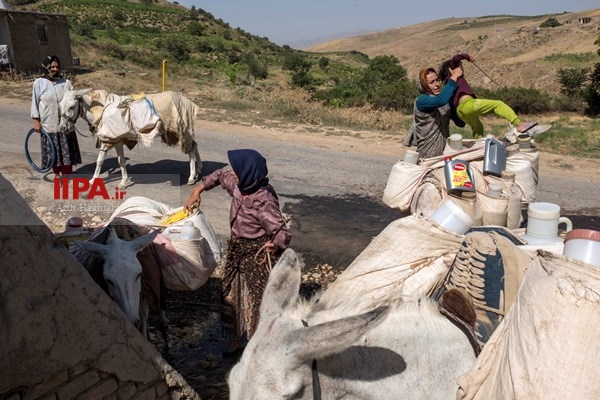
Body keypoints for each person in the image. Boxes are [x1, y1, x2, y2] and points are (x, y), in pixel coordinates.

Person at [184, 149, 291, 354]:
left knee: (259, 300)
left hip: (256, 254)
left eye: (236, 170)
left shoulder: (264, 200)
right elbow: (218, 175)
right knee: (230, 295)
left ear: (248, 173)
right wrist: (196, 191)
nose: (231, 172)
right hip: (237, 250)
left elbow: (281, 231)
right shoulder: (239, 186)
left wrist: (275, 244)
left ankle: (260, 345)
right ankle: (235, 337)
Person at [438, 53, 537, 139]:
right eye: (460, 65)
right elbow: (455, 58)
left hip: (461, 112)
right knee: (498, 104)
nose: (461, 67)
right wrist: (467, 57)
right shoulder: (455, 74)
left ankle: (479, 141)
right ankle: (519, 124)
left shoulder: (449, 84)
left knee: (477, 126)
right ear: (451, 69)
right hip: (468, 104)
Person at [31, 55, 82, 179]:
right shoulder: (39, 83)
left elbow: (73, 101)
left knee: (66, 151)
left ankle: (67, 175)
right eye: (52, 66)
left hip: (65, 124)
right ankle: (57, 174)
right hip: (49, 123)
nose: (55, 69)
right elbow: (35, 103)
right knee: (54, 152)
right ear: (46, 67)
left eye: (57, 66)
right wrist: (36, 121)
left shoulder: (66, 82)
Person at [404, 64, 465, 158]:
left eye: (437, 80)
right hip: (427, 156)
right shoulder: (422, 100)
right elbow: (441, 100)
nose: (437, 84)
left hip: (444, 155)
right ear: (423, 85)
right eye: (431, 82)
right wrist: (454, 76)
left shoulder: (444, 104)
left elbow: (460, 123)